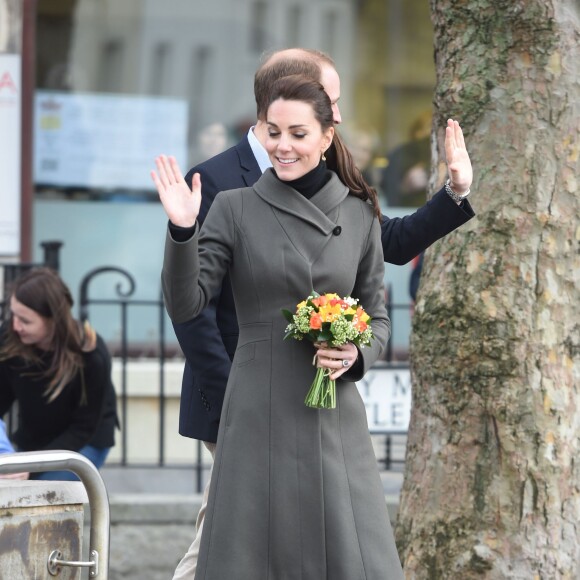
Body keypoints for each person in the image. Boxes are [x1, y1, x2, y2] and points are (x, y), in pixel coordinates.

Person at [169, 46, 474, 577]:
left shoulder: (350, 200)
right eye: (276, 131)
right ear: (271, 111)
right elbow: (190, 307)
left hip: (327, 406)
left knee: (342, 550)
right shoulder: (224, 190)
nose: (285, 143)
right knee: (235, 549)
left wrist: (454, 192)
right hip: (247, 401)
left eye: (307, 127)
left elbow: (380, 282)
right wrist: (234, 400)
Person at [0, 268, 118, 481]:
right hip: (35, 437)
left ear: (53, 320)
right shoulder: (10, 340)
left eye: (25, 321)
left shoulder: (90, 355)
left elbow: (83, 429)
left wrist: (30, 468)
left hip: (83, 444)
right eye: (13, 315)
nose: (15, 326)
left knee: (44, 496)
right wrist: (12, 460)